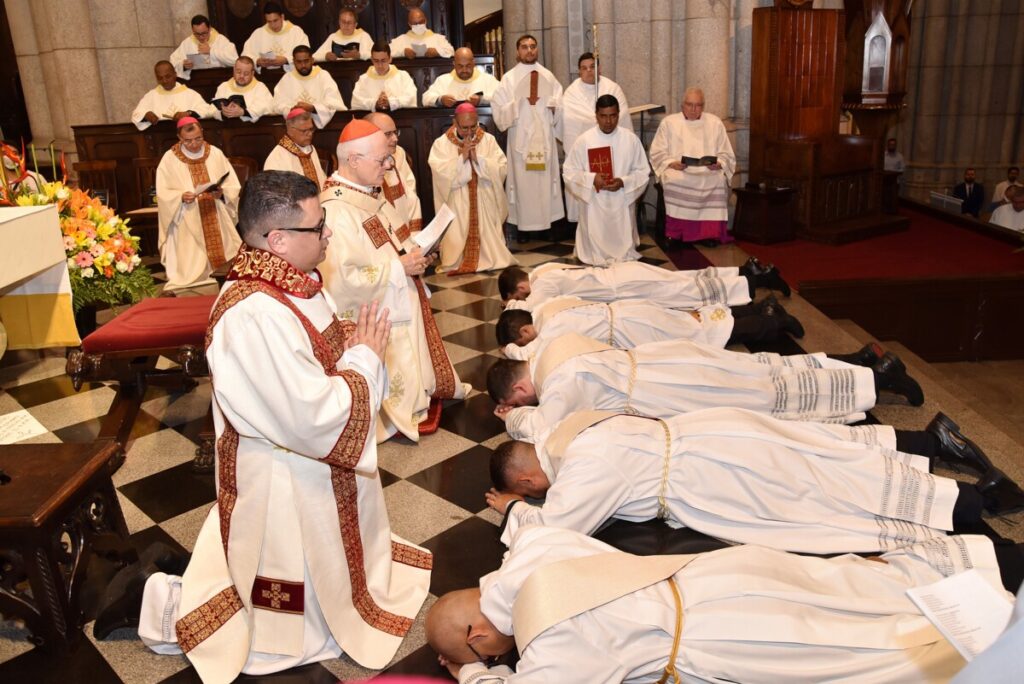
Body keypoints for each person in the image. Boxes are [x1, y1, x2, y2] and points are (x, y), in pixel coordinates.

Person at [94, 171, 432, 680]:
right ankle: (151, 604)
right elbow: (309, 417)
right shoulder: (252, 313)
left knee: (332, 570)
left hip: (307, 465)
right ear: (277, 240)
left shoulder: (289, 282)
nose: (328, 236)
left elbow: (314, 356)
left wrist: (351, 348)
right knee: (280, 631)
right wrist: (363, 358)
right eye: (318, 228)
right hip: (284, 476)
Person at [426, 525, 1023, 683]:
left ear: (480, 634)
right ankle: (1002, 566)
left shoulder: (546, 647)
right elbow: (532, 532)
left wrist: (474, 675)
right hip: (716, 571)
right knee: (853, 587)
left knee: (863, 649)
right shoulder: (533, 548)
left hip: (723, 632)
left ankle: (999, 646)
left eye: (486, 652)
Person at [486, 408, 1024, 554]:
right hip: (714, 433)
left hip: (713, 478)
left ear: (531, 479)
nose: (539, 493)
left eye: (532, 489)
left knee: (825, 501)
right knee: (832, 464)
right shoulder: (578, 433)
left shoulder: (580, 472)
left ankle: (978, 505)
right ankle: (970, 499)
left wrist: (514, 511)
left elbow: (558, 531)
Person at [486, 332, 924, 444]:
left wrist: (515, 418)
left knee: (766, 396)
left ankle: (875, 378)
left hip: (670, 390)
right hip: (665, 360)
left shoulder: (556, 385)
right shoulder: (552, 350)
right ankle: (862, 364)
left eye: (522, 400)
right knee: (763, 371)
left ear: (522, 390)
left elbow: (544, 428)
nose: (531, 402)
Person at [320, 119, 467, 442]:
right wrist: (400, 267)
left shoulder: (365, 195)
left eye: (389, 159)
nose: (389, 166)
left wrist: (417, 252)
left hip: (397, 295)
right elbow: (342, 281)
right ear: (353, 160)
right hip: (375, 312)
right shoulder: (335, 210)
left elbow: (392, 242)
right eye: (382, 160)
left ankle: (419, 390)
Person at [495, 294, 805, 360]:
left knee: (702, 333)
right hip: (631, 311)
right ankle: (764, 310)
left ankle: (771, 321)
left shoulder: (547, 332)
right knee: (698, 322)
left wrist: (508, 350)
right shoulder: (549, 310)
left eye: (523, 341)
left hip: (634, 329)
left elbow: (526, 354)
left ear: (525, 333)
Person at [497, 257, 790, 312]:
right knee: (687, 277)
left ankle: (751, 283)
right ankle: (744, 270)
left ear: (519, 290)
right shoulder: (543, 268)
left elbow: (527, 310)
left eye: (517, 296)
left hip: (626, 286)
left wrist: (510, 305)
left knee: (687, 291)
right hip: (625, 273)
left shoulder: (543, 284)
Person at [490, 34, 564, 243]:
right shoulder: (509, 79)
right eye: (524, 47)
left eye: (533, 46)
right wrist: (516, 105)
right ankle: (523, 227)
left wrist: (554, 107)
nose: (529, 50)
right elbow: (499, 111)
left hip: (543, 139)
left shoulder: (548, 76)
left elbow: (560, 104)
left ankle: (545, 226)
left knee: (543, 182)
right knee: (523, 184)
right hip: (521, 140)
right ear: (517, 51)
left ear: (537, 50)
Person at [154, 117, 241, 292]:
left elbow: (232, 183)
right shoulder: (170, 158)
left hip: (215, 210)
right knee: (190, 267)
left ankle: (223, 271)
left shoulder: (215, 153)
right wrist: (180, 196)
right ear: (179, 137)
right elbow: (163, 191)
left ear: (202, 132)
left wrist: (222, 193)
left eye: (198, 138)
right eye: (188, 140)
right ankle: (196, 274)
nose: (194, 144)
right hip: (187, 214)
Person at [428, 103, 516, 274]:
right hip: (456, 199)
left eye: (473, 127)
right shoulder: (441, 144)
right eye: (464, 128)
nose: (469, 132)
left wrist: (479, 160)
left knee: (489, 239)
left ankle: (490, 256)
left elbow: (502, 167)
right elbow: (439, 172)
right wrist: (461, 159)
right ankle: (457, 259)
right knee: (456, 235)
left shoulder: (488, 140)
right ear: (455, 123)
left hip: (484, 195)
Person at [563, 94, 649, 265]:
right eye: (603, 116)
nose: (608, 121)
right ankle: (593, 251)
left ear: (619, 114)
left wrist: (623, 181)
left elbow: (643, 172)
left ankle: (623, 250)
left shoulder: (630, 140)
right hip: (594, 202)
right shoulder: (584, 140)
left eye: (613, 116)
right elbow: (569, 172)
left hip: (621, 201)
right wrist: (591, 178)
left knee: (622, 244)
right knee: (594, 241)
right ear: (596, 115)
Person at [649, 87, 736, 246]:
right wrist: (671, 163)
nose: (694, 109)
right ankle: (676, 234)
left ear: (703, 106)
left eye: (698, 105)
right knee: (674, 181)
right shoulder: (669, 123)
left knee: (717, 181)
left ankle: (708, 234)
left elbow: (726, 153)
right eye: (690, 105)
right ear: (683, 105)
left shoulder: (714, 123)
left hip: (707, 172)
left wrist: (719, 163)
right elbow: (657, 152)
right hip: (678, 170)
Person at [558, 53, 633, 226]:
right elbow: (568, 122)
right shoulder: (571, 93)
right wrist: (591, 125)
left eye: (592, 66)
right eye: (584, 68)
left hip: (612, 146)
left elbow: (622, 119)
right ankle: (584, 225)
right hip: (585, 150)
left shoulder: (612, 88)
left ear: (599, 68)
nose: (589, 71)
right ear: (579, 72)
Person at [364, 112, 422, 232]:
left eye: (395, 132)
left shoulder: (396, 157)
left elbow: (410, 195)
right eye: (388, 134)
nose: (396, 139)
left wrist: (415, 237)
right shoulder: (362, 169)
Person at [272, 45, 347, 128]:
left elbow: (335, 103)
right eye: (299, 62)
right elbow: (277, 105)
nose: (303, 65)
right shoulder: (287, 78)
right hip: (295, 127)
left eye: (306, 61)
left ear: (312, 60)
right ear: (293, 61)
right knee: (284, 139)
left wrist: (313, 108)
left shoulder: (323, 75)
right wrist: (291, 110)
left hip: (320, 128)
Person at [131, 61, 216, 130]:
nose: (164, 81)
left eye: (168, 76)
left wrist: (188, 113)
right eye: (160, 78)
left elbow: (207, 110)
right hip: (161, 138)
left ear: (175, 74)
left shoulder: (190, 94)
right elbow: (136, 114)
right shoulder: (151, 96)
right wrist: (146, 115)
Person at [264, 109, 326, 189]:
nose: (310, 134)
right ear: (291, 130)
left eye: (311, 129)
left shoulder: (311, 149)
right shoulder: (277, 157)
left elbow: (321, 180)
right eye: (304, 131)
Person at [241, 2, 310, 73]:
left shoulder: (296, 32)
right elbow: (245, 56)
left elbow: (305, 54)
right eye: (269, 21)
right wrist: (257, 61)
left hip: (290, 76)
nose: (273, 25)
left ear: (282, 17)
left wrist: (286, 60)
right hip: (266, 77)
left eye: (275, 20)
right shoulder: (258, 33)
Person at [350, 42, 418, 111]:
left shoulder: (403, 76)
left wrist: (391, 103)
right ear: (372, 60)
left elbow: (411, 99)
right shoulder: (363, 79)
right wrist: (375, 103)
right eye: (376, 61)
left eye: (383, 61)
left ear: (390, 59)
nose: (380, 65)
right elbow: (356, 102)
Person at [422, 48, 500, 107]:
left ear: (473, 63)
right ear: (454, 64)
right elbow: (425, 99)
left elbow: (502, 97)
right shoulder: (443, 80)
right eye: (460, 66)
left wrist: (482, 100)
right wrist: (440, 100)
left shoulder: (488, 80)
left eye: (468, 65)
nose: (464, 70)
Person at [169, 14, 238, 79]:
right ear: (193, 31)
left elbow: (234, 60)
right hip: (196, 82)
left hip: (220, 79)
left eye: (204, 33)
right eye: (197, 34)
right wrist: (183, 65)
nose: (201, 37)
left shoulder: (220, 40)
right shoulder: (187, 43)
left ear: (209, 28)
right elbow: (173, 62)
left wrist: (211, 51)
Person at [212, 56, 276, 123]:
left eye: (246, 73)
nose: (242, 76)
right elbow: (213, 110)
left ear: (252, 73)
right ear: (234, 70)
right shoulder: (223, 87)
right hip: (227, 127)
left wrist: (243, 112)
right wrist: (223, 113)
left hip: (253, 129)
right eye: (238, 72)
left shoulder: (260, 88)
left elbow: (266, 107)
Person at [388, 7, 454, 59]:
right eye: (415, 23)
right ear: (409, 24)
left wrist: (437, 52)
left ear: (425, 20)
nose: (418, 25)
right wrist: (403, 52)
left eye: (421, 22)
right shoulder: (401, 40)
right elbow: (387, 53)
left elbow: (452, 52)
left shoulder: (438, 38)